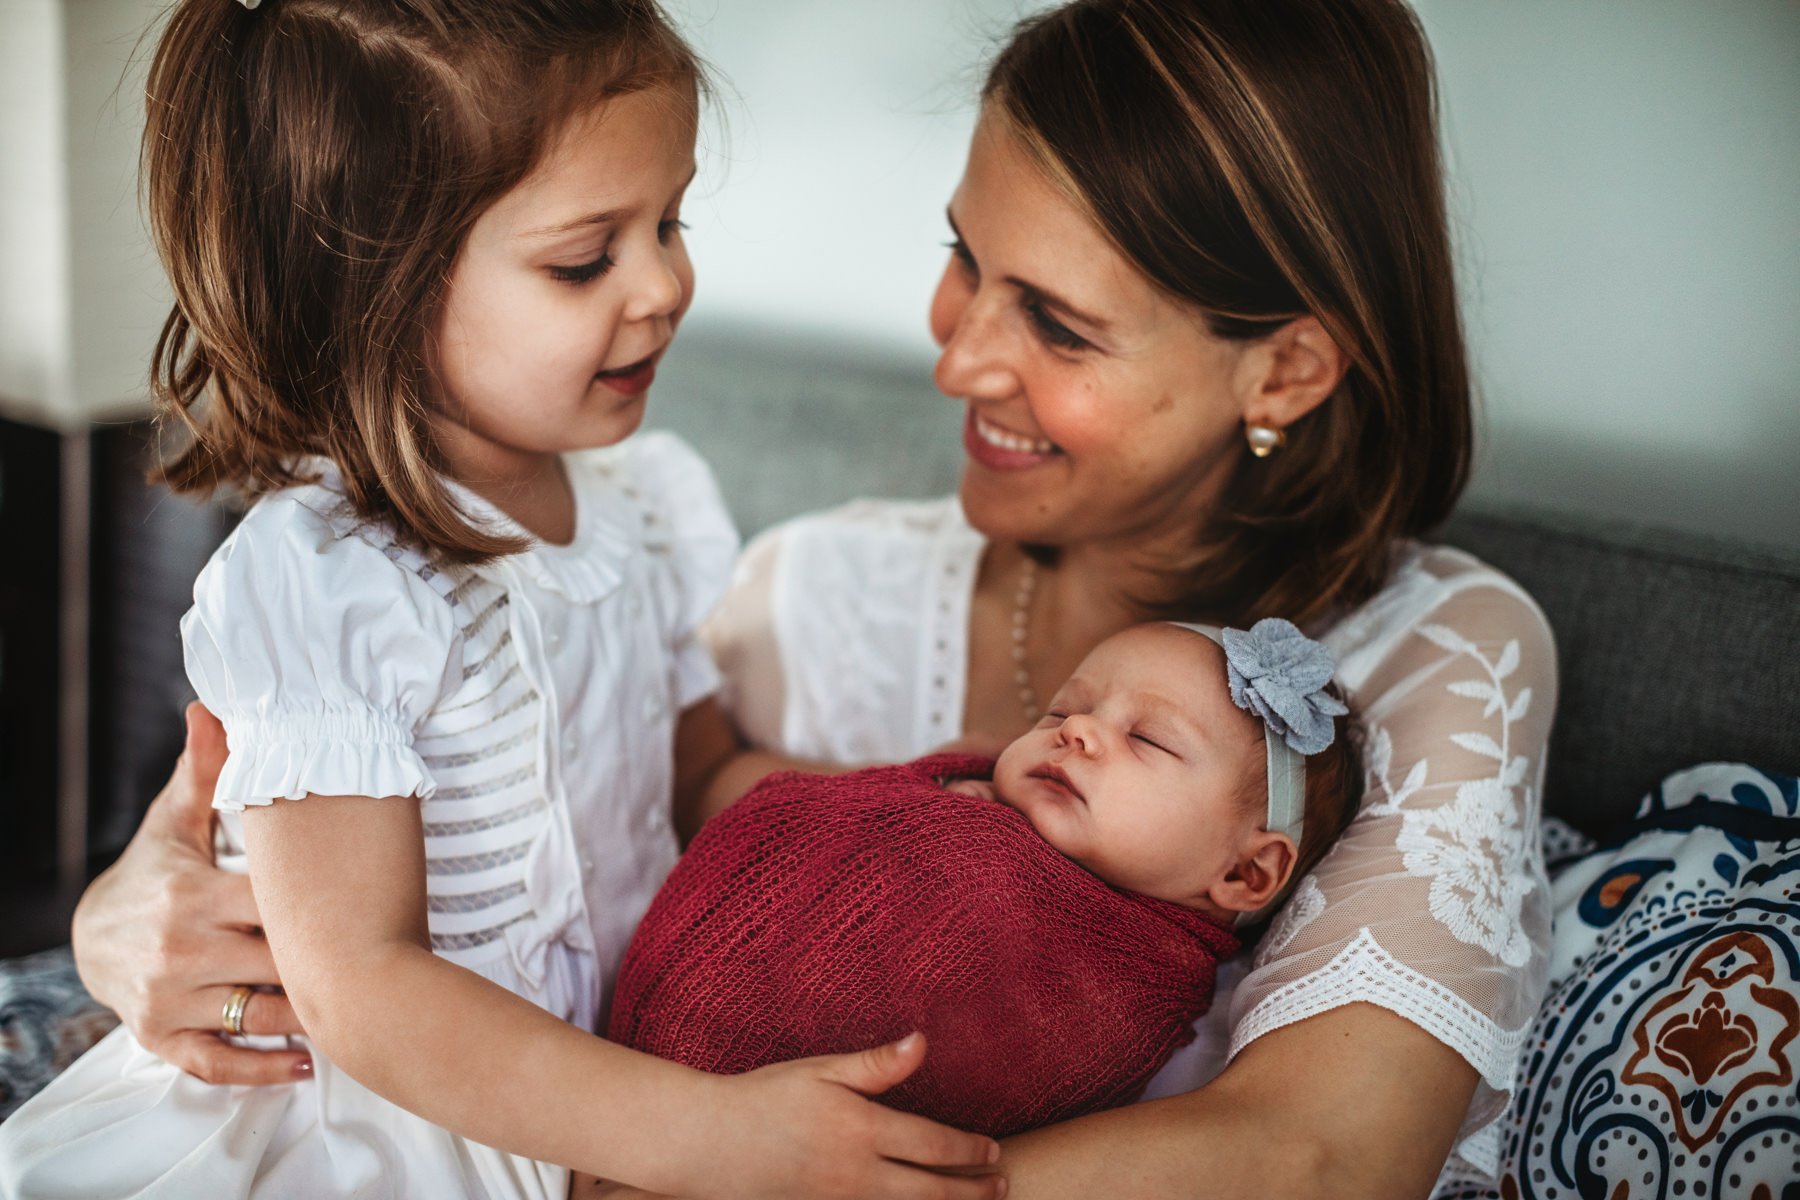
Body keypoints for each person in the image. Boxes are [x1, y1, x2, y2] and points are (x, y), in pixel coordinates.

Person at [66, 0, 1559, 1196]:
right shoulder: (810, 582)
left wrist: (778, 1165)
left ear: (1287, 368)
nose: (956, 358)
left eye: (1057, 320)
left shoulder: (1426, 663)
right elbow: (399, 885)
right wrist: (126, 911)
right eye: (964, 262)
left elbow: (1321, 1156)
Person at [0, 3, 1006, 1199]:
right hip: (385, 1125)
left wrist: (925, 818)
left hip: (602, 1088)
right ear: (375, 292)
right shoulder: (330, 582)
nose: (666, 285)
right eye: (586, 259)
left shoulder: (645, 504)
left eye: (671, 221)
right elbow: (361, 986)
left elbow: (696, 780)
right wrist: (700, 1131)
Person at [609, 620, 1358, 1142]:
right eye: (1064, 709)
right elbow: (792, 820)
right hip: (651, 1086)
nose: (1077, 730)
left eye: (1149, 739)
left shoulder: (1121, 986)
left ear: (1245, 871)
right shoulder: (965, 795)